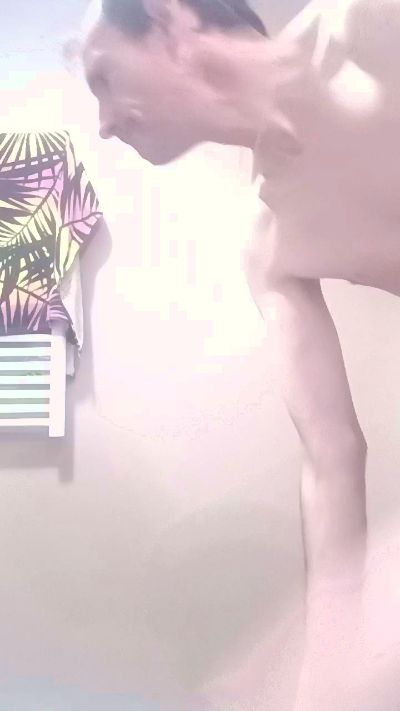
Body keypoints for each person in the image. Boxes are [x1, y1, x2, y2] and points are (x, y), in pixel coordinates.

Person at [80, 0, 400, 704]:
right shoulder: (270, 248)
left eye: (104, 77)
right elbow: (331, 460)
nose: (102, 122)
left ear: (169, 21)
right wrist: (324, 670)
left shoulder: (363, 26)